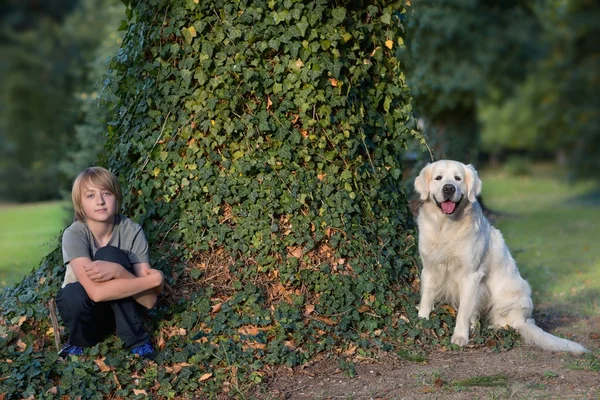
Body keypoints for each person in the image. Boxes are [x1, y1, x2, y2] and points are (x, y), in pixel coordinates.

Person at [56, 166, 164, 359]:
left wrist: (118, 271)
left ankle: (137, 340)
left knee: (110, 255)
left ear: (117, 198)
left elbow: (149, 301)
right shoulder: (74, 234)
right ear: (80, 204)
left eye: (107, 193)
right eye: (90, 196)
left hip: (126, 308)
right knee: (71, 293)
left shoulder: (132, 231)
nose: (100, 201)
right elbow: (96, 294)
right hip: (90, 312)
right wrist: (154, 281)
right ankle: (80, 341)